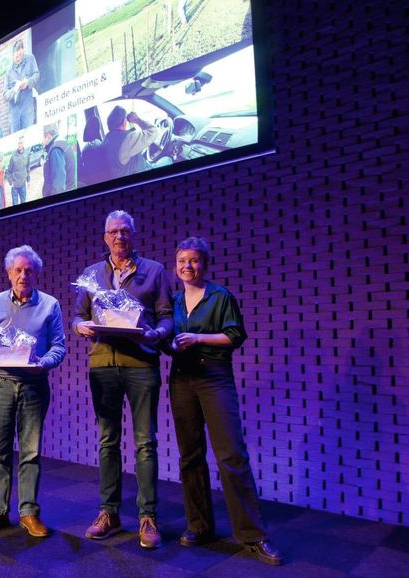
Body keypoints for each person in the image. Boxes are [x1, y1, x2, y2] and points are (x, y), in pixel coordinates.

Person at [167, 237, 282, 565]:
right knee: (190, 456)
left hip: (214, 378)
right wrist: (163, 342)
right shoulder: (173, 301)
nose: (188, 266)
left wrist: (198, 338)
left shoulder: (220, 296)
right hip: (181, 380)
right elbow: (166, 339)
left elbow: (234, 336)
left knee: (231, 456)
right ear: (175, 267)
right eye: (182, 261)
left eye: (194, 261)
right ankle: (199, 525)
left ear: (204, 263)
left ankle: (253, 535)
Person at [71, 210, 173, 549]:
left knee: (146, 443)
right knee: (107, 441)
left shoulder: (154, 271)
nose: (119, 237)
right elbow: (78, 316)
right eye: (113, 231)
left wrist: (157, 334)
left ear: (133, 235)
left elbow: (166, 317)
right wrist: (78, 326)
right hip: (102, 366)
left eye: (125, 231)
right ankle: (109, 514)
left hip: (142, 364)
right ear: (105, 237)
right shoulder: (91, 275)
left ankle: (148, 518)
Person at [0, 245, 66, 538]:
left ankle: (28, 512)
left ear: (36, 273)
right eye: (18, 270)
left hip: (34, 386)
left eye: (28, 271)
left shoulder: (50, 305)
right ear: (9, 273)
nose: (23, 275)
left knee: (30, 452)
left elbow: (59, 347)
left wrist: (43, 363)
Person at [103, 105, 161, 179]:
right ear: (124, 121)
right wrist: (137, 120)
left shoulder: (106, 139)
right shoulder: (128, 139)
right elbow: (154, 132)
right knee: (168, 159)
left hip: (121, 176)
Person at [4, 38, 40, 133]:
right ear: (12, 56)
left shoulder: (30, 59)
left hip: (27, 106)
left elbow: (36, 75)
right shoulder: (8, 72)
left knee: (29, 135)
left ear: (23, 50)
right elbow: (5, 95)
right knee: (15, 140)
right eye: (16, 57)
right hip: (14, 111)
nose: (18, 58)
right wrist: (14, 90)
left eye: (20, 55)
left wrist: (27, 83)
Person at [42, 123, 76, 197]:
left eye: (42, 138)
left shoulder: (55, 150)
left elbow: (59, 186)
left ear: (48, 137)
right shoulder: (63, 144)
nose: (41, 141)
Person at [6, 135, 30, 204]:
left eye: (21, 143)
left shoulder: (27, 154)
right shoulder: (13, 156)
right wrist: (11, 182)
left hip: (23, 185)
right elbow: (8, 171)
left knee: (23, 202)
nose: (20, 144)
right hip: (15, 186)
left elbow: (28, 168)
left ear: (23, 143)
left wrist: (28, 180)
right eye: (18, 143)